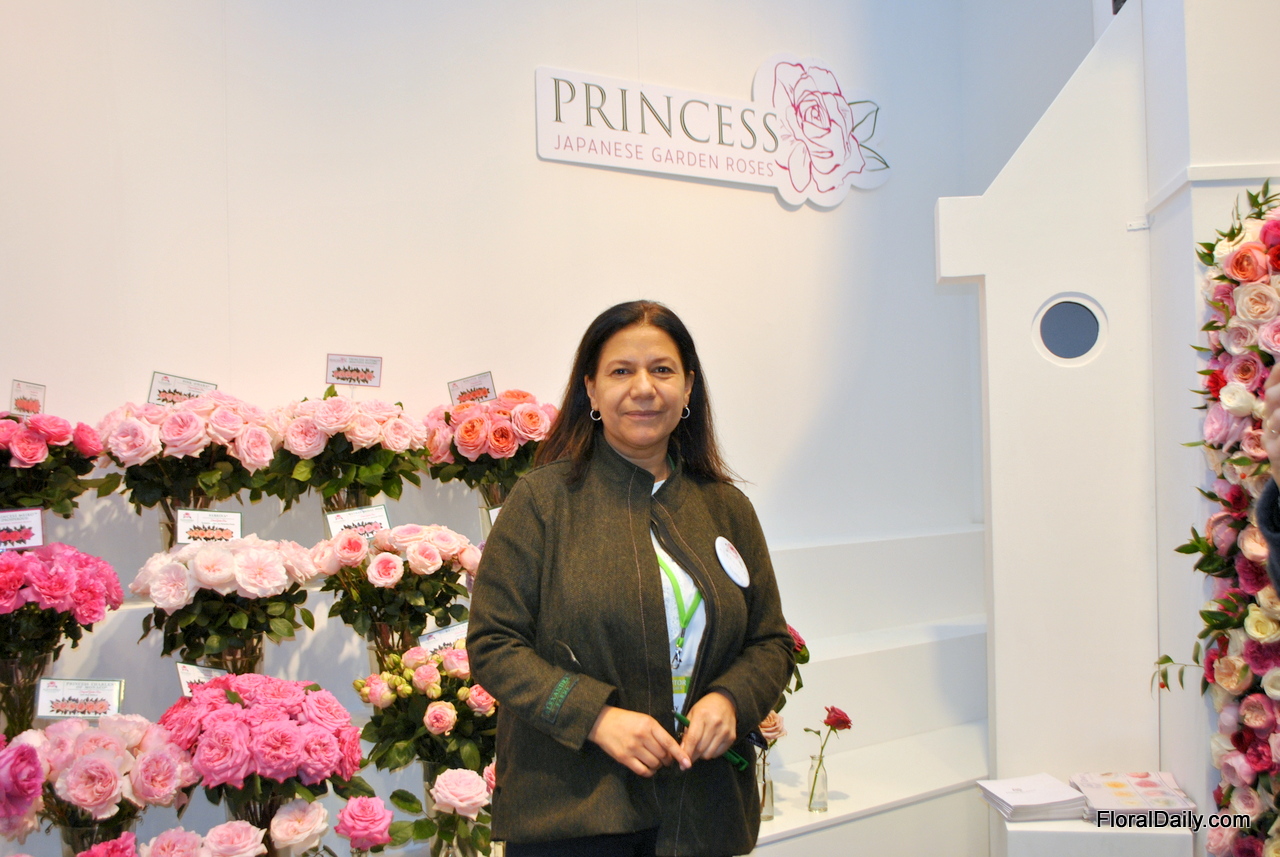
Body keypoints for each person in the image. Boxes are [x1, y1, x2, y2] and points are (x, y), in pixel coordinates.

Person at [467, 300, 794, 857]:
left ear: (688, 388)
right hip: (573, 815)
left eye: (662, 370)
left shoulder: (726, 507)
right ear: (591, 391)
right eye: (622, 371)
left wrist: (731, 701)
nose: (644, 388)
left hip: (704, 814)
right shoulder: (542, 501)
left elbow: (771, 641)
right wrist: (595, 717)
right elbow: (494, 644)